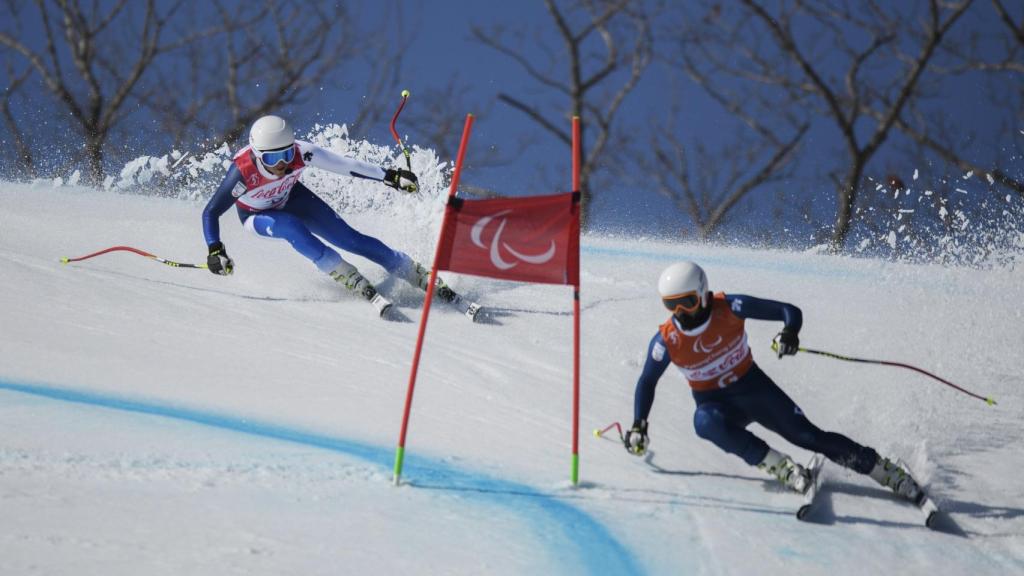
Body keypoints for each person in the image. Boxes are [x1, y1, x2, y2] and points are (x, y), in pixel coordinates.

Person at [624, 261, 924, 503]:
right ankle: (781, 467)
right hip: (717, 406)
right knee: (703, 422)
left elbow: (788, 311)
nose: (680, 313)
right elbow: (647, 381)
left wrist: (789, 332)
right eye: (671, 305)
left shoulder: (729, 307)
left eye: (686, 302)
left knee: (808, 437)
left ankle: (884, 471)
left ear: (702, 294)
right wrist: (639, 424)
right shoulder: (667, 341)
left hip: (754, 390)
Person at [201, 114, 478, 319]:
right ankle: (345, 274)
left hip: (293, 198)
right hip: (257, 215)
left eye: (286, 154)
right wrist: (215, 248)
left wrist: (390, 176)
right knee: (292, 228)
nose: (284, 164)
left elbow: (346, 166)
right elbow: (211, 211)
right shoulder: (242, 172)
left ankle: (413, 272)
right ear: (259, 156)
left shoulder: (302, 152)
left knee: (350, 239)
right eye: (274, 160)